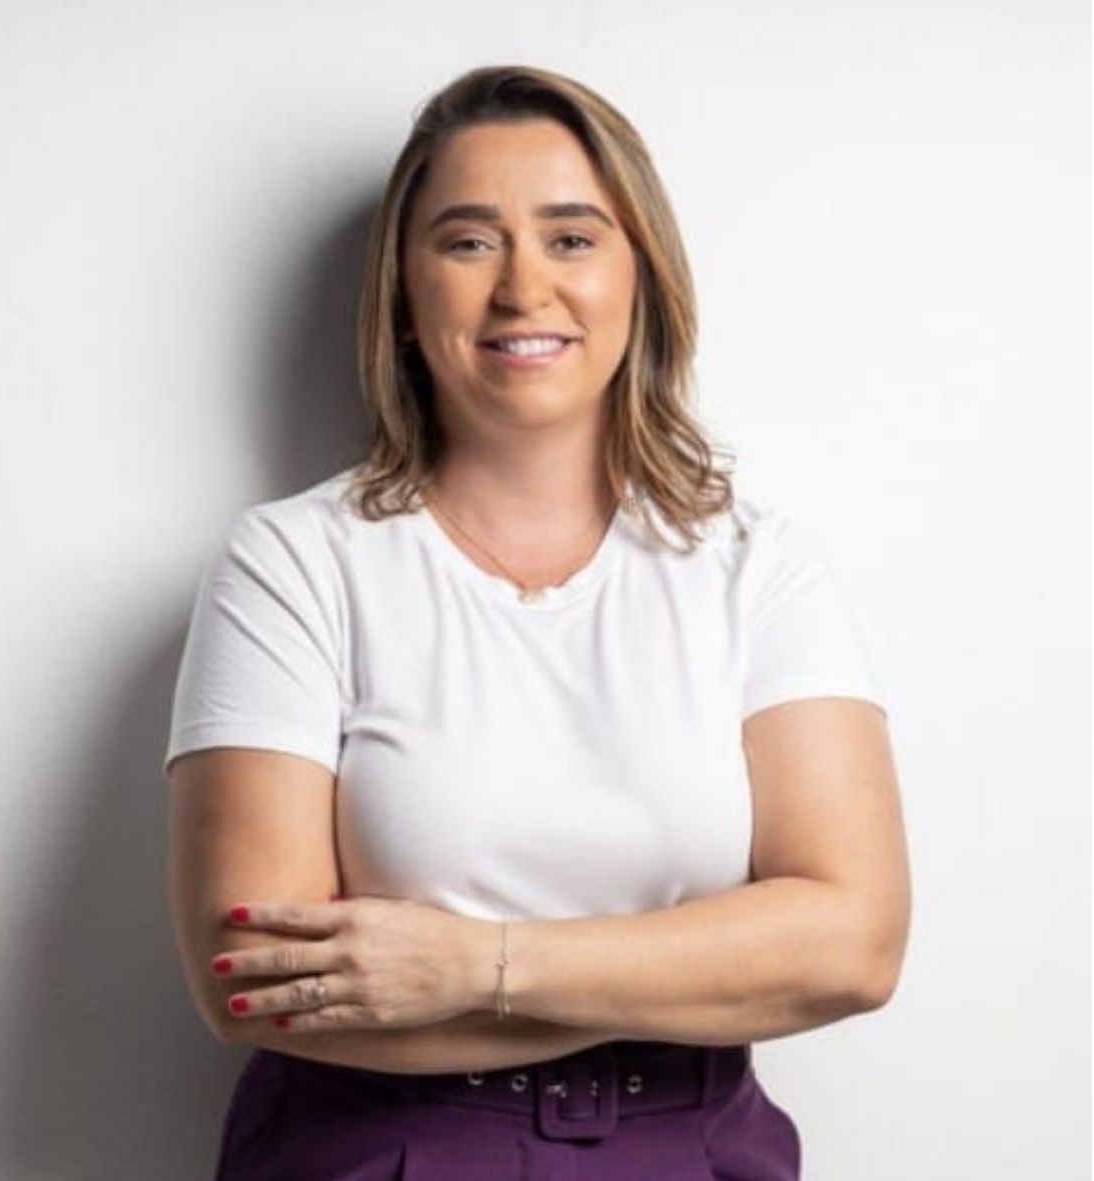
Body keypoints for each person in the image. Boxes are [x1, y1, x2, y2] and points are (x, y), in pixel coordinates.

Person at [162, 64, 911, 1180]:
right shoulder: (292, 563)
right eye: (469, 242)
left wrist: (480, 965)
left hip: (693, 1149)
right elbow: (257, 980)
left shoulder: (755, 565)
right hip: (379, 1147)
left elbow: (853, 944)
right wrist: (703, 970)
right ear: (404, 294)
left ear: (638, 274)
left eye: (571, 238)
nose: (523, 288)